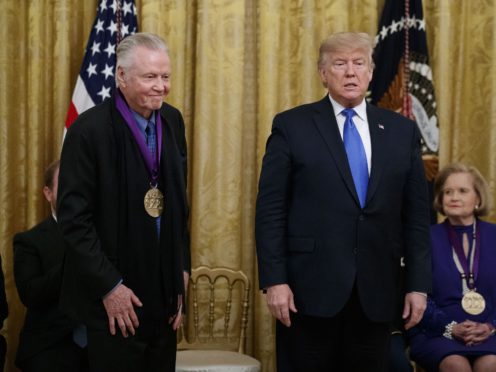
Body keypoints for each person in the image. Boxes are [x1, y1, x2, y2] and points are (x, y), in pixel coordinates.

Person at [255, 31, 432, 372]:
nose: (350, 72)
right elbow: (270, 210)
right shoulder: (292, 126)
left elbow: (416, 218)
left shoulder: (401, 131)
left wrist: (418, 286)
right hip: (308, 293)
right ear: (323, 73)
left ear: (370, 71)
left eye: (358, 63)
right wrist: (275, 280)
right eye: (340, 63)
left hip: (377, 293)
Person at [57, 32, 190, 372]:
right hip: (114, 299)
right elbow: (75, 222)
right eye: (150, 77)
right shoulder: (88, 131)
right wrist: (110, 287)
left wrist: (181, 271)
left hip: (164, 297)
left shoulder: (173, 121)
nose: (160, 86)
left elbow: (178, 206)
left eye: (165, 76)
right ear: (121, 76)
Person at [409, 163, 496, 372]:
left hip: (491, 330)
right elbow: (418, 293)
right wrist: (450, 328)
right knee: (456, 364)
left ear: (478, 198)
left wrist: (490, 326)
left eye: (463, 191)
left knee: (490, 364)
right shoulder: (425, 239)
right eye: (447, 192)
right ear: (439, 198)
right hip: (437, 332)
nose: (454, 197)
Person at [13, 160, 87, 372]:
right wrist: (74, 259)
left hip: (100, 345)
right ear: (48, 193)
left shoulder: (103, 235)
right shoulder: (29, 241)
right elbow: (30, 294)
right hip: (50, 346)